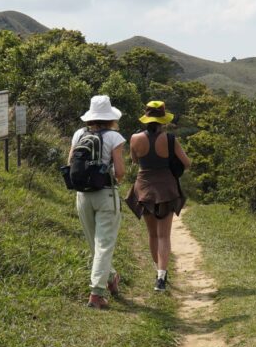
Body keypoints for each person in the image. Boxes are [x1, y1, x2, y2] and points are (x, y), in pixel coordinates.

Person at [125, 100, 191, 292]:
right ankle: (161, 276)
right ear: (163, 119)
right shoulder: (170, 139)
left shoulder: (135, 138)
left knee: (152, 234)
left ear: (146, 118)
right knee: (164, 235)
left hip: (144, 188)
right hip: (166, 189)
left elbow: (135, 160)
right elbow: (186, 163)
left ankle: (158, 272)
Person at [69, 96, 126, 309]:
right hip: (106, 194)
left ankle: (111, 277)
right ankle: (96, 293)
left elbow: (70, 163)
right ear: (110, 117)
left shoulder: (79, 134)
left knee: (94, 243)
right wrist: (112, 177)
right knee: (104, 244)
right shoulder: (115, 137)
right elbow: (120, 172)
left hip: (82, 195)